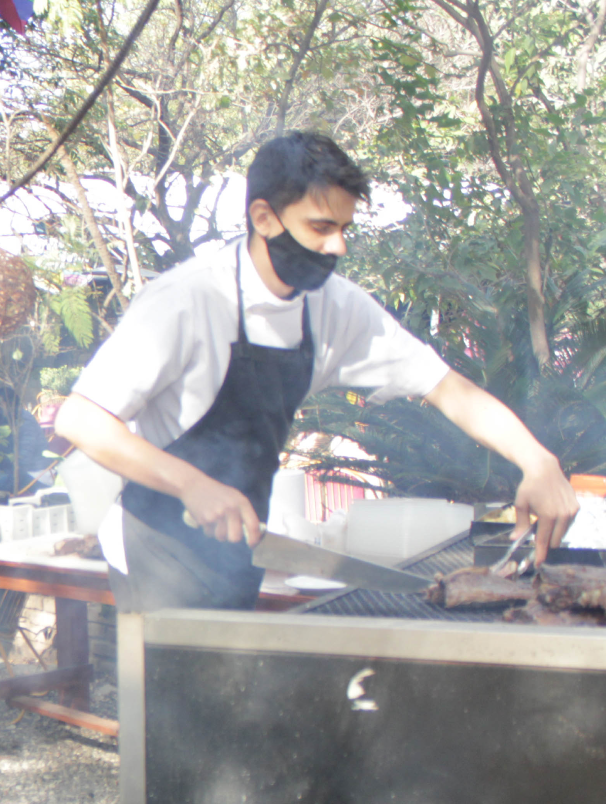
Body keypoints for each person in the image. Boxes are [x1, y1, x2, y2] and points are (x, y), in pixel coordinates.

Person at [55, 132, 577, 612]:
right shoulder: (188, 299)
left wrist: (537, 460)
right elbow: (80, 420)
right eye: (321, 228)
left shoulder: (336, 308)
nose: (338, 247)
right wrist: (194, 484)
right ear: (264, 218)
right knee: (176, 707)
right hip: (157, 547)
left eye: (345, 229)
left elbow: (447, 388)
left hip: (240, 544)